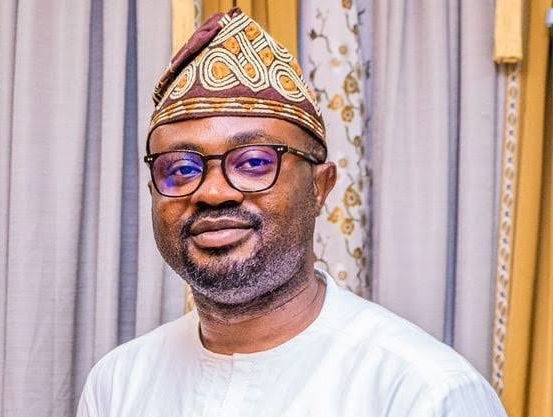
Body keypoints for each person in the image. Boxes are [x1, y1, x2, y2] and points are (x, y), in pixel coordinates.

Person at [77, 8, 507, 417]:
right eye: (181, 169)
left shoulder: (423, 391)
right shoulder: (119, 382)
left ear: (320, 188)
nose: (212, 192)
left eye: (253, 162)